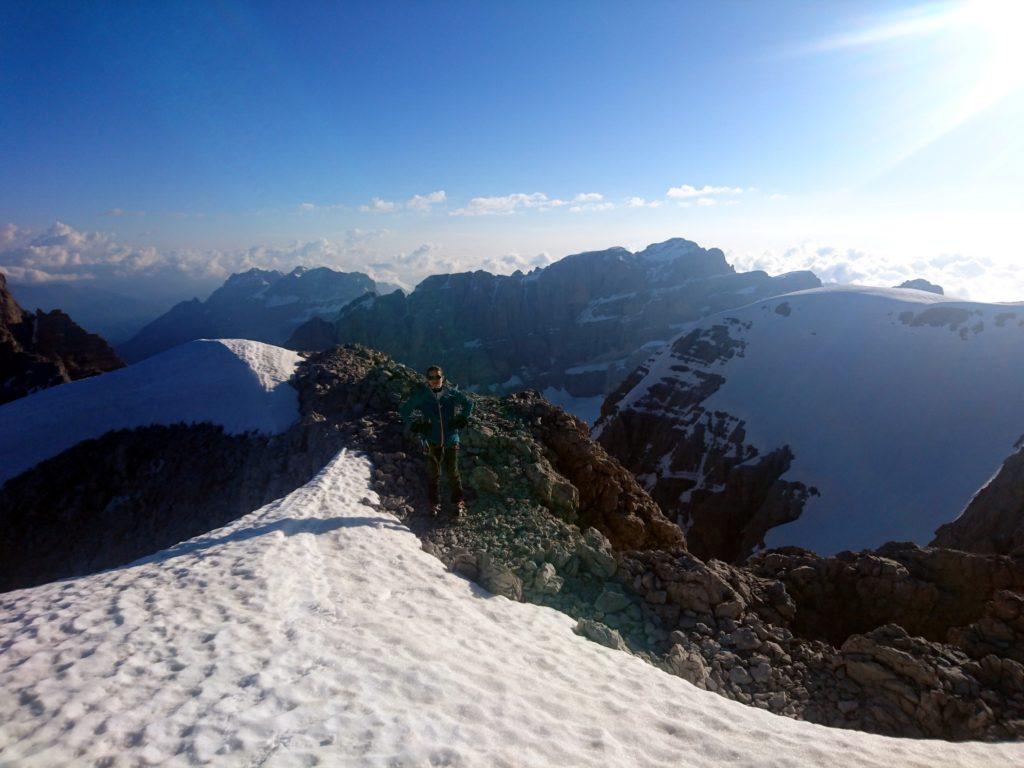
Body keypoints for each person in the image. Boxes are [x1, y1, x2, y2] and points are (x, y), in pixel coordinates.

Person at [399, 364, 474, 516]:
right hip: (431, 440)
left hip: (451, 439)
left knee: (453, 472)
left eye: (437, 377)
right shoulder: (422, 395)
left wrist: (461, 419)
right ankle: (434, 504)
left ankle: (458, 502)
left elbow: (469, 403)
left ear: (443, 378)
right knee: (434, 473)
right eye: (431, 377)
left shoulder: (451, 393)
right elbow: (404, 410)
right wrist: (416, 425)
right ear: (427, 380)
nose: (434, 380)